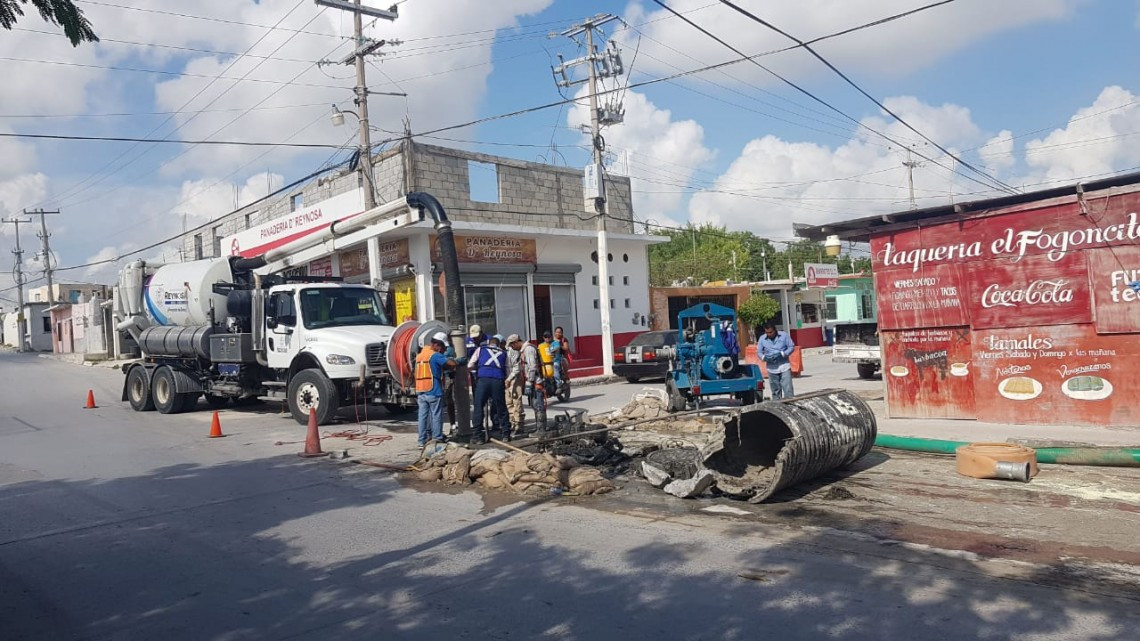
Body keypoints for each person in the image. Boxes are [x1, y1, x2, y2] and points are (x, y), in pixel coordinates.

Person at [414, 332, 460, 447]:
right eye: (442, 347)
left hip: (421, 390)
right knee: (436, 415)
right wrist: (459, 361)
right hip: (433, 390)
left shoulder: (420, 356)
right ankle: (437, 438)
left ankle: (422, 441)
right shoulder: (434, 355)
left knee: (422, 416)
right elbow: (451, 363)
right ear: (437, 345)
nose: (442, 350)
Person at [469, 334, 509, 444]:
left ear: (489, 343)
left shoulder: (481, 349)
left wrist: (476, 370)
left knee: (478, 406)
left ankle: (478, 435)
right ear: (499, 344)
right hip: (498, 380)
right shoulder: (504, 353)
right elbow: (507, 370)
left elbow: (470, 365)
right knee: (501, 406)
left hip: (483, 380)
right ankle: (506, 434)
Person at [758, 321, 795, 400]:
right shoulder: (762, 339)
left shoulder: (784, 335)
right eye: (767, 332)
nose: (769, 334)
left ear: (775, 330)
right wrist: (764, 358)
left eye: (771, 332)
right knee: (775, 392)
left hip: (784, 367)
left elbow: (791, 347)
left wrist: (782, 354)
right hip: (772, 369)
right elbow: (759, 352)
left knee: (788, 391)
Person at [519, 336, 543, 431]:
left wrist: (529, 382)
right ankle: (539, 428)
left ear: (515, 343)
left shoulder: (528, 349)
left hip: (536, 382)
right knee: (535, 405)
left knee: (538, 405)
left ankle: (541, 429)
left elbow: (532, 367)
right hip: (535, 382)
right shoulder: (527, 348)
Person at [504, 334, 526, 437]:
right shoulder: (505, 351)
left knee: (517, 402)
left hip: (515, 378)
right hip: (507, 379)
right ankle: (512, 423)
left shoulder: (514, 352)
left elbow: (517, 368)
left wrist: (509, 379)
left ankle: (519, 425)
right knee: (509, 403)